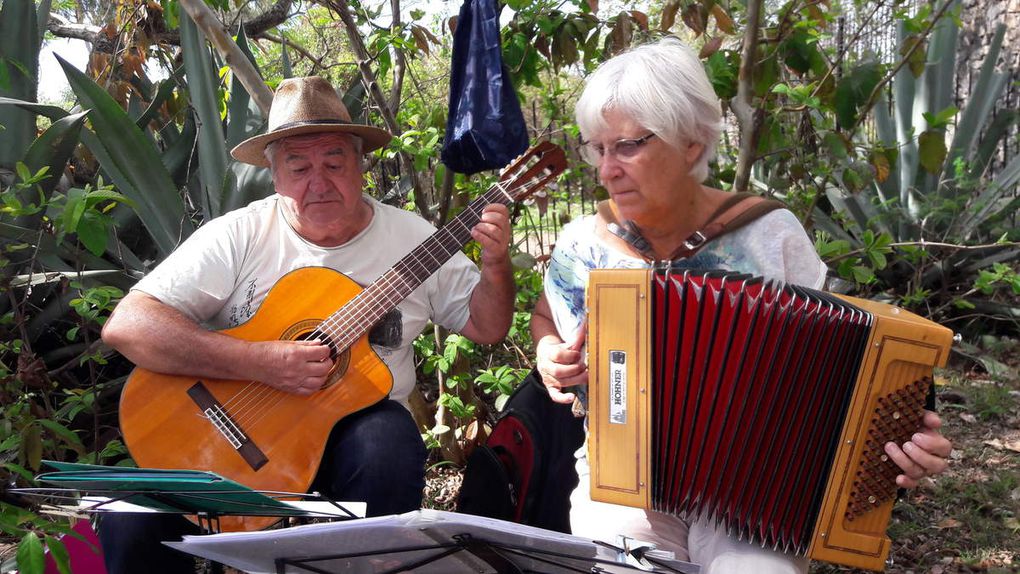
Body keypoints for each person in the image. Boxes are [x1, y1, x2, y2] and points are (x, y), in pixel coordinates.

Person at [530, 37, 952, 574]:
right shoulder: (582, 245)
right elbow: (547, 315)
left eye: (628, 145)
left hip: (760, 485)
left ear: (691, 142)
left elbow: (845, 368)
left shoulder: (769, 234)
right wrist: (548, 350)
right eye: (597, 148)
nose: (606, 169)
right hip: (621, 477)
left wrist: (898, 441)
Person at [98, 76, 515, 573]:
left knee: (386, 441)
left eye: (334, 163)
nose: (318, 182)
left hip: (353, 434)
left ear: (361, 166)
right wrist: (257, 362)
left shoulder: (414, 238)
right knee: (128, 517)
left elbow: (486, 327)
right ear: (275, 178)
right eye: (299, 167)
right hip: (238, 426)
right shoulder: (241, 234)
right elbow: (128, 325)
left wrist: (496, 266)